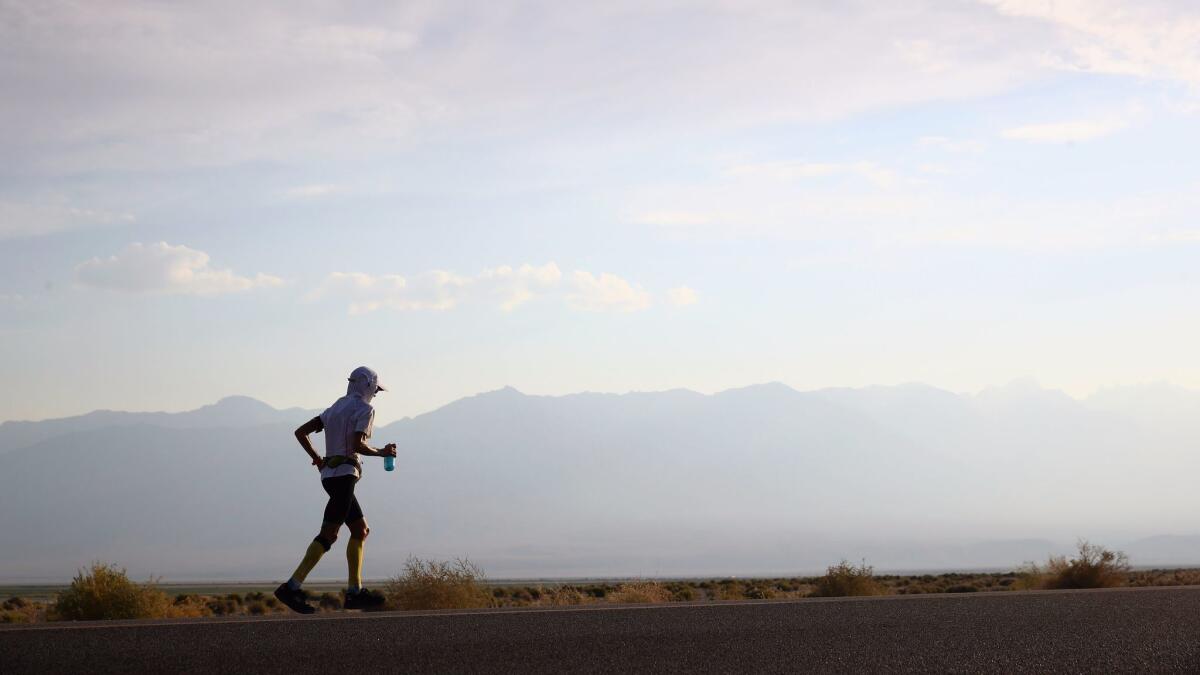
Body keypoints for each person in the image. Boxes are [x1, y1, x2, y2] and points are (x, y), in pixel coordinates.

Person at [274, 366, 398, 613]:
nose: (376, 395)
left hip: (329, 476)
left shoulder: (334, 409)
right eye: (376, 390)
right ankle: (291, 587)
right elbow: (357, 445)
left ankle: (354, 592)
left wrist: (318, 458)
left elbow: (301, 432)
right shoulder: (366, 410)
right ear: (368, 386)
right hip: (345, 476)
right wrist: (382, 452)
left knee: (360, 530)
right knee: (329, 534)